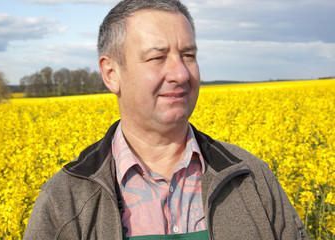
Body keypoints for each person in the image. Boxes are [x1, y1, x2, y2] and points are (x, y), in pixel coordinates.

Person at [24, 0, 309, 239]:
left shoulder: (251, 178)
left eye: (189, 55)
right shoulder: (65, 200)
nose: (181, 74)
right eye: (158, 58)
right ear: (111, 73)